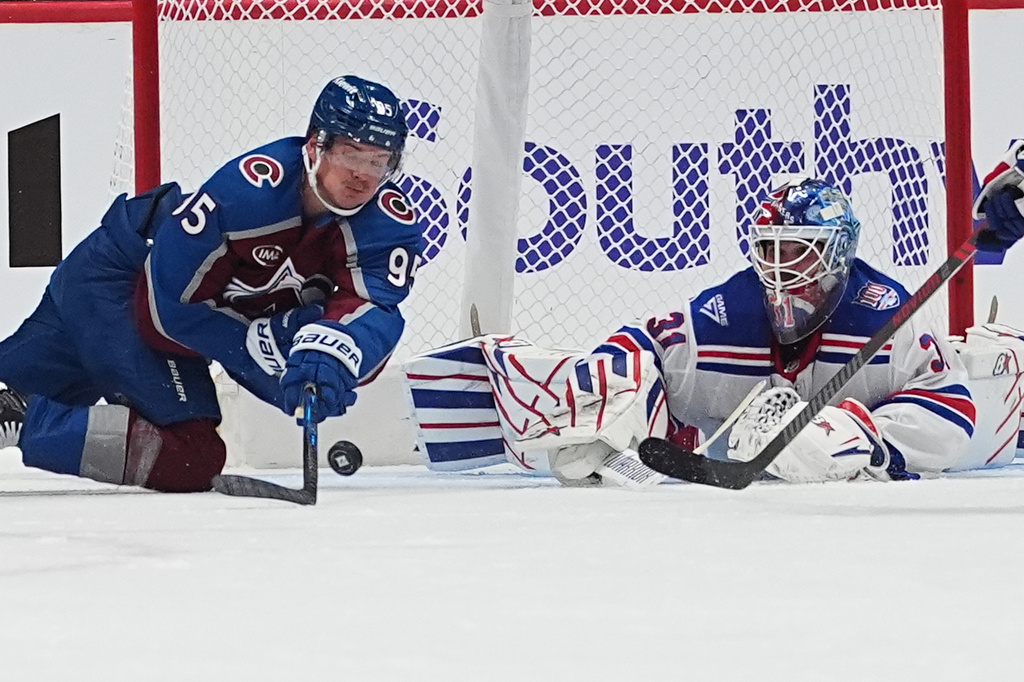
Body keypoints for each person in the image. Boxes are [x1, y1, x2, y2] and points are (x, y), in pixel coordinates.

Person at [404, 171, 1024, 485]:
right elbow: (643, 343)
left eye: (799, 252)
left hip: (985, 432)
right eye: (769, 249)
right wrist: (614, 398)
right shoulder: (724, 317)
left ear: (837, 255)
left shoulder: (886, 318)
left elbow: (955, 413)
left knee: (831, 435)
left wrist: (864, 435)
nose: (779, 270)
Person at [0, 75, 421, 492]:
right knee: (190, 456)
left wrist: (333, 357)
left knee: (13, 379)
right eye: (352, 154)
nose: (364, 175)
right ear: (316, 145)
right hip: (125, 282)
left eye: (379, 161)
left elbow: (375, 309)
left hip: (132, 289)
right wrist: (260, 352)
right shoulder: (249, 192)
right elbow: (164, 308)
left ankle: (17, 402)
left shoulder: (387, 224)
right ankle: (31, 416)